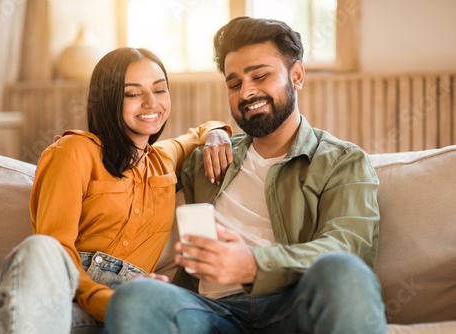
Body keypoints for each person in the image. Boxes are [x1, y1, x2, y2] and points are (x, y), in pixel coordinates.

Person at [105, 17, 388, 333]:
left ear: (296, 75)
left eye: (261, 76)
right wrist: (85, 148)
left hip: (294, 306)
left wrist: (252, 265)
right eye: (234, 83)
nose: (246, 92)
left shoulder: (341, 161)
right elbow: (131, 176)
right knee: (136, 296)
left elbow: (348, 245)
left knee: (344, 269)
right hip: (208, 313)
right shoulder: (204, 159)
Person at [0, 47, 233, 333]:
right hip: (60, 297)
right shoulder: (73, 151)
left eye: (160, 90)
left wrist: (217, 133)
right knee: (41, 248)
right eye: (133, 94)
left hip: (127, 309)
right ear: (108, 99)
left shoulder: (164, 159)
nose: (152, 103)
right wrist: (105, 300)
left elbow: (200, 132)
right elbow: (55, 249)